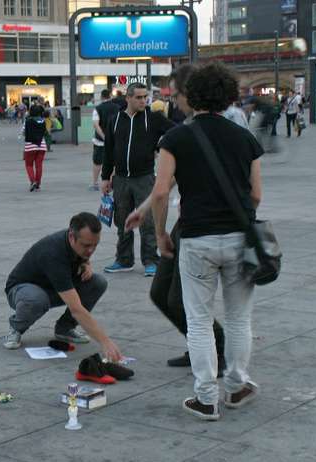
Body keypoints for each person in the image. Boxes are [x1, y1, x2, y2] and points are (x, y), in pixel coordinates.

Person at [148, 62, 264, 421]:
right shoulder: (244, 138)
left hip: (197, 238)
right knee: (239, 318)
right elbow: (256, 194)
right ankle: (237, 385)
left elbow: (161, 192)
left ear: (190, 95)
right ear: (227, 94)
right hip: (237, 239)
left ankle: (206, 398)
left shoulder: (176, 138)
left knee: (198, 320)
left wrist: (160, 233)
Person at [124, 63, 227, 375]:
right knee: (160, 294)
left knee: (180, 299)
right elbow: (165, 185)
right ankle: (199, 344)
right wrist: (142, 210)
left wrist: (158, 231)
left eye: (176, 93)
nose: (173, 100)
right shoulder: (184, 132)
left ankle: (214, 350)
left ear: (190, 94)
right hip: (185, 224)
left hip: (201, 227)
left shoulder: (213, 130)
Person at [2, 212, 122, 362]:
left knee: (97, 283)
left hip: (53, 287)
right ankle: (16, 327)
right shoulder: (53, 253)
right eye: (86, 245)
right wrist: (105, 341)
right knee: (37, 299)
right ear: (72, 236)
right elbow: (76, 309)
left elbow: (81, 256)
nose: (91, 250)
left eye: (95, 245)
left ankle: (64, 329)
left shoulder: (76, 243)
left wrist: (86, 263)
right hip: (22, 290)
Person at [101, 82, 175, 277]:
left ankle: (151, 260)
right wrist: (105, 177)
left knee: (148, 221)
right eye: (139, 97)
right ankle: (124, 259)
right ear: (128, 98)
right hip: (120, 179)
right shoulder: (114, 120)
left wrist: (163, 148)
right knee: (121, 220)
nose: (143, 101)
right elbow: (108, 150)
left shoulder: (153, 119)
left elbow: (177, 133)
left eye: (145, 97)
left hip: (144, 178)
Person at [91, 89, 120, 192]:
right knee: (114, 162)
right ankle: (111, 182)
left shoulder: (98, 108)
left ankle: (95, 183)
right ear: (110, 96)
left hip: (100, 141)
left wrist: (104, 137)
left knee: (97, 162)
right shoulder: (118, 108)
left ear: (101, 97)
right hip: (115, 140)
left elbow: (96, 125)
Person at [22, 104, 48, 192]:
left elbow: (23, 132)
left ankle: (32, 181)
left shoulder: (28, 121)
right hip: (42, 145)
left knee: (29, 165)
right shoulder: (43, 121)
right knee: (39, 166)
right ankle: (38, 184)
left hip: (30, 146)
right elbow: (44, 132)